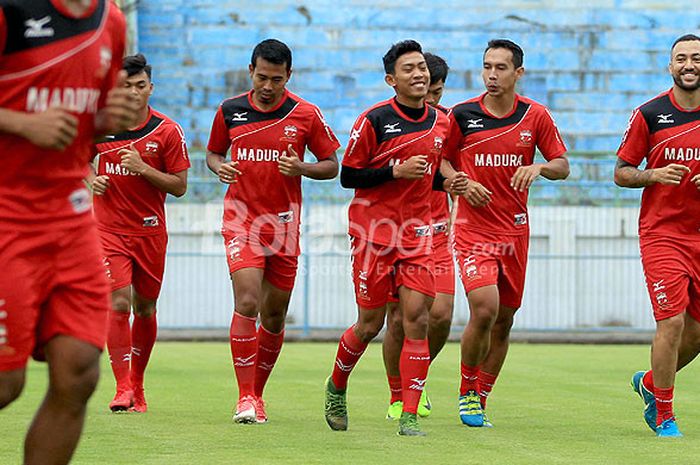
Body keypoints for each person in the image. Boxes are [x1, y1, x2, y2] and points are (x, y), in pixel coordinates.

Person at [0, 1, 138, 463]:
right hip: (6, 215)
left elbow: (86, 122)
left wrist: (106, 119)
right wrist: (21, 122)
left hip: (71, 217)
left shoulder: (111, 20)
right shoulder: (11, 10)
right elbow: (37, 119)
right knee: (5, 383)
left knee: (78, 372)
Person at [323, 40, 466, 437]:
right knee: (369, 324)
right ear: (391, 79)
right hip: (374, 235)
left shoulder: (443, 122)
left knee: (415, 319)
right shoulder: (374, 120)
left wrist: (448, 179)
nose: (419, 74)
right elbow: (349, 175)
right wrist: (393, 171)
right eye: (409, 69)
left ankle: (408, 413)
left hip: (418, 235)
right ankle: (336, 386)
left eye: (421, 67)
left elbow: (430, 174)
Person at [206, 38, 340, 424]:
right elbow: (214, 153)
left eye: (276, 80)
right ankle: (245, 397)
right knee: (247, 300)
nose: (268, 86)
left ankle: (258, 394)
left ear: (288, 76)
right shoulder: (229, 111)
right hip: (241, 220)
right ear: (251, 71)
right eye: (262, 77)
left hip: (283, 225)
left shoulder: (306, 114)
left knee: (275, 315)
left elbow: (331, 165)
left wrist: (302, 168)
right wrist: (219, 168)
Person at [450, 39, 569, 427]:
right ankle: (467, 391)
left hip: (515, 232)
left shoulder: (535, 116)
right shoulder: (462, 115)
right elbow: (440, 163)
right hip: (472, 230)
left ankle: (481, 396)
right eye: (487, 66)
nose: (491, 75)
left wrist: (538, 168)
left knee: (504, 319)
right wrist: (461, 182)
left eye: (501, 68)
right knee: (484, 308)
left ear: (518, 73)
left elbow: (562, 165)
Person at [90, 53, 190, 413]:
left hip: (149, 232)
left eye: (140, 86)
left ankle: (138, 386)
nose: (133, 92)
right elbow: (75, 158)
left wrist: (143, 168)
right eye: (126, 86)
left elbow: (179, 186)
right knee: (117, 302)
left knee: (144, 308)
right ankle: (121, 388)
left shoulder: (167, 130)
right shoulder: (101, 124)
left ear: (151, 88)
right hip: (107, 231)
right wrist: (91, 179)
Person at [615, 33, 700, 438]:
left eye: (696, 58)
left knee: (697, 333)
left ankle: (650, 383)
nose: (689, 64)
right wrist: (654, 174)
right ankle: (663, 413)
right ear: (670, 67)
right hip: (663, 234)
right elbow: (621, 172)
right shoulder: (650, 114)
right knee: (671, 322)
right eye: (681, 58)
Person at [382, 52, 457, 420]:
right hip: (397, 233)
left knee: (441, 315)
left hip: (437, 235)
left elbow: (457, 163)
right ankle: (399, 395)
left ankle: (416, 378)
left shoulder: (445, 123)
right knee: (397, 319)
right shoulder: (390, 121)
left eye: (437, 92)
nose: (430, 100)